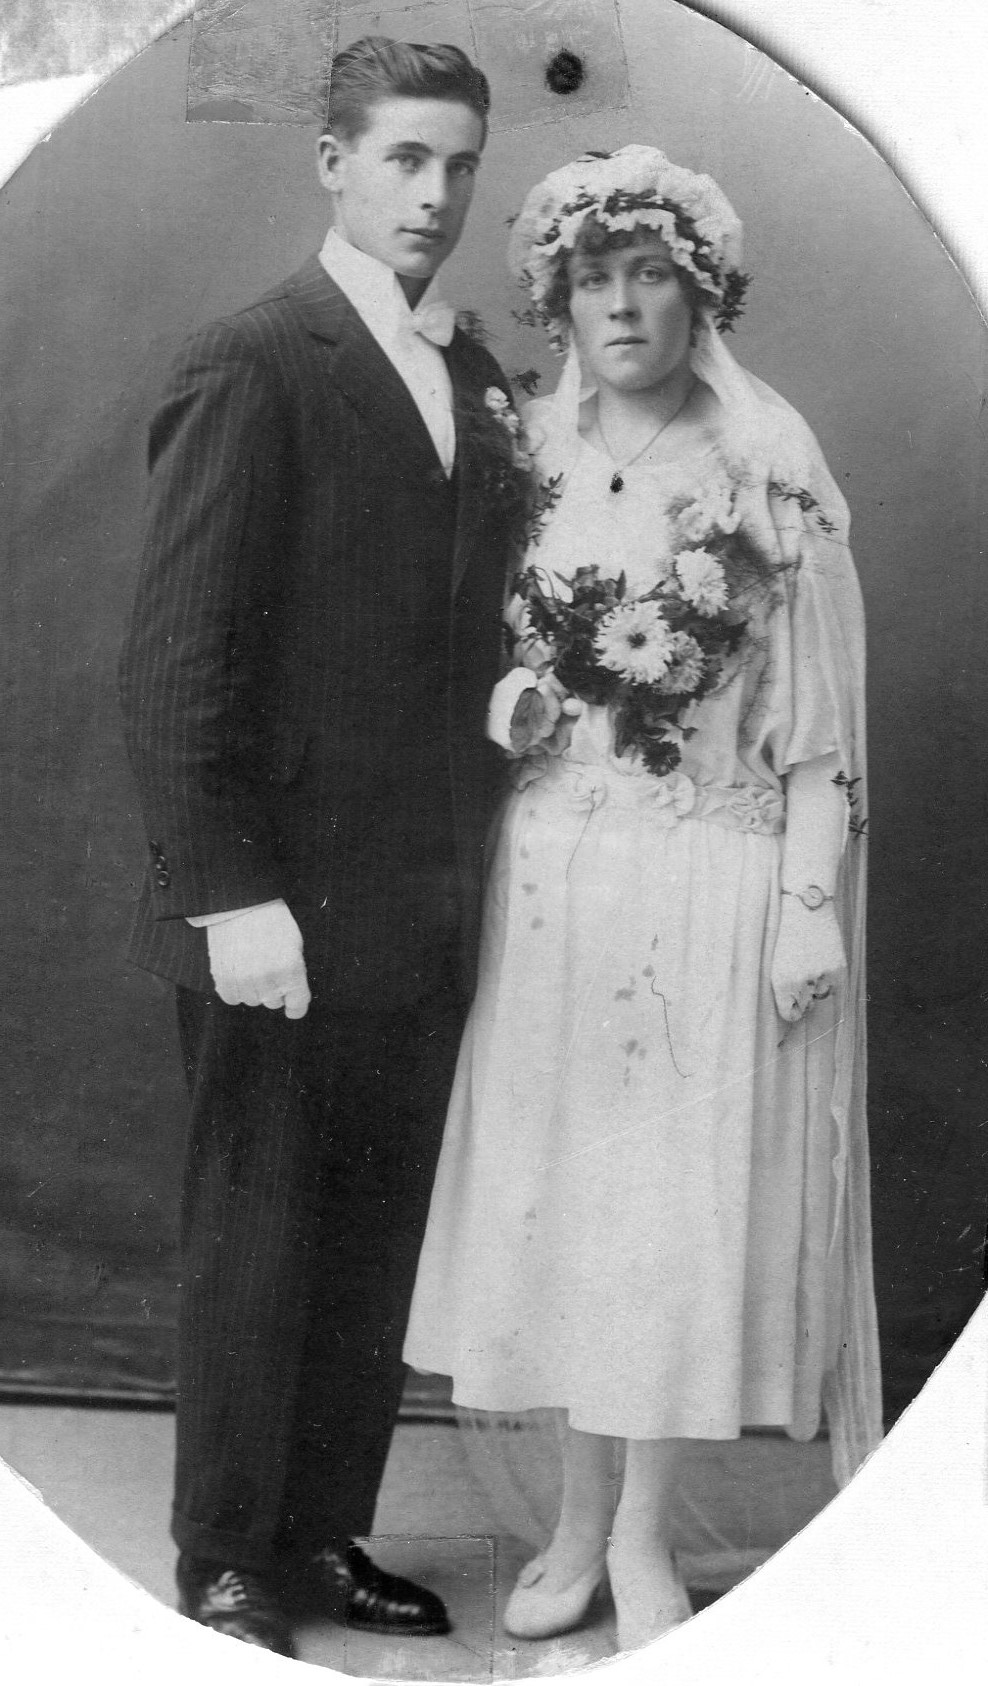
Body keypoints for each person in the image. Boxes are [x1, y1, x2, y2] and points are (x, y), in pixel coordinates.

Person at [403, 145, 883, 1654]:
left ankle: (640, 1531)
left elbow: (821, 729)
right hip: (554, 875)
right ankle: (569, 1516)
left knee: (670, 1212)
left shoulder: (765, 461)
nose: (621, 306)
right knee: (566, 1205)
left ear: (699, 294)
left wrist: (807, 900)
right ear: (559, 301)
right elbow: (463, 648)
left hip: (706, 877)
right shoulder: (523, 454)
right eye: (595, 280)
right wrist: (507, 703)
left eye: (651, 276)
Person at [118, 36, 513, 1658]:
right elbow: (177, 662)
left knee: (371, 1228)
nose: (435, 194)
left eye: (459, 165)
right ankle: (225, 1554)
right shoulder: (255, 358)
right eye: (405, 158)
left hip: (421, 896)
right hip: (273, 902)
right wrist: (233, 894)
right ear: (334, 164)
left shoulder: (473, 374)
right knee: (259, 1229)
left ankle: (321, 1532)